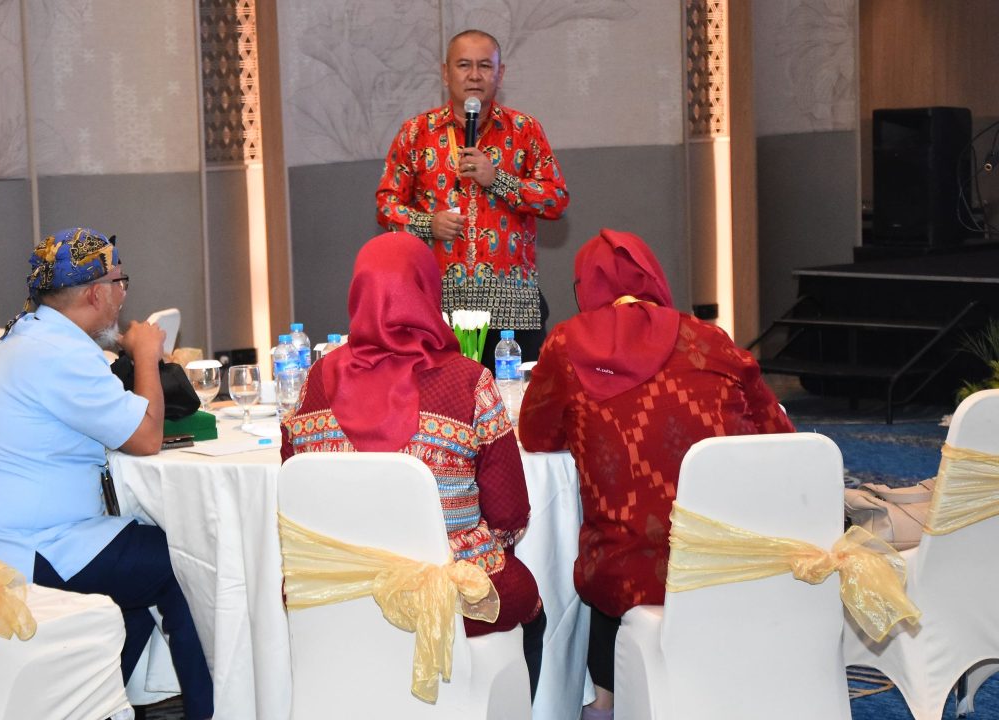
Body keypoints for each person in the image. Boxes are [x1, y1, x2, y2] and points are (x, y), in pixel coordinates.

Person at [518, 228, 795, 719]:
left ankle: (604, 702)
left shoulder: (565, 344)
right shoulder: (710, 338)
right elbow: (779, 435)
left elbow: (536, 436)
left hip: (632, 570)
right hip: (738, 557)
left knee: (614, 548)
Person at [0, 227, 213, 719]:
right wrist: (146, 355)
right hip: (25, 550)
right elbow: (146, 438)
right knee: (183, 562)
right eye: (120, 283)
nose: (123, 295)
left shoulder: (31, 336)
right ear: (94, 293)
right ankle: (209, 711)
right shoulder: (60, 353)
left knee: (138, 577)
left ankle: (86, 707)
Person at [281, 231, 546, 696]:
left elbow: (293, 487)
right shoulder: (469, 382)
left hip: (338, 591)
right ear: (428, 292)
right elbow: (509, 516)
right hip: (448, 593)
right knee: (530, 606)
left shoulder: (315, 381)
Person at [376, 29, 569, 362]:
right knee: (441, 394)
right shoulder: (416, 132)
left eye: (485, 66)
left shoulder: (524, 130)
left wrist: (498, 180)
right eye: (464, 65)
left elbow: (556, 200)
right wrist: (427, 224)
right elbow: (386, 205)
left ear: (500, 73)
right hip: (438, 304)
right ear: (445, 72)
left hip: (512, 306)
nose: (475, 75)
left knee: (516, 394)